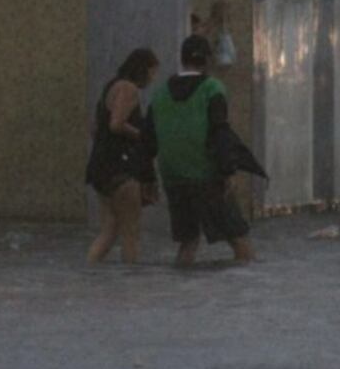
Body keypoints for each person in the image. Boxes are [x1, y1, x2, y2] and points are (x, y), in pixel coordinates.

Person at [144, 34, 254, 265]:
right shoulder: (212, 89)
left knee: (188, 240)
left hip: (173, 176)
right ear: (207, 60)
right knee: (239, 242)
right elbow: (219, 131)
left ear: (182, 58)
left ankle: (180, 285)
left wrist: (148, 179)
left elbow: (148, 140)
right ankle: (241, 287)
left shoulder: (160, 93)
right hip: (206, 175)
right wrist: (228, 171)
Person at [85, 48, 160, 264]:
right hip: (122, 168)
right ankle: (131, 279)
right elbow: (116, 124)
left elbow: (95, 128)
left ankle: (89, 271)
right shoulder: (129, 88)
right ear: (144, 70)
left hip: (101, 167)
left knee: (110, 229)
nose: (153, 78)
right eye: (153, 72)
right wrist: (143, 136)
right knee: (131, 232)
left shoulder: (110, 87)